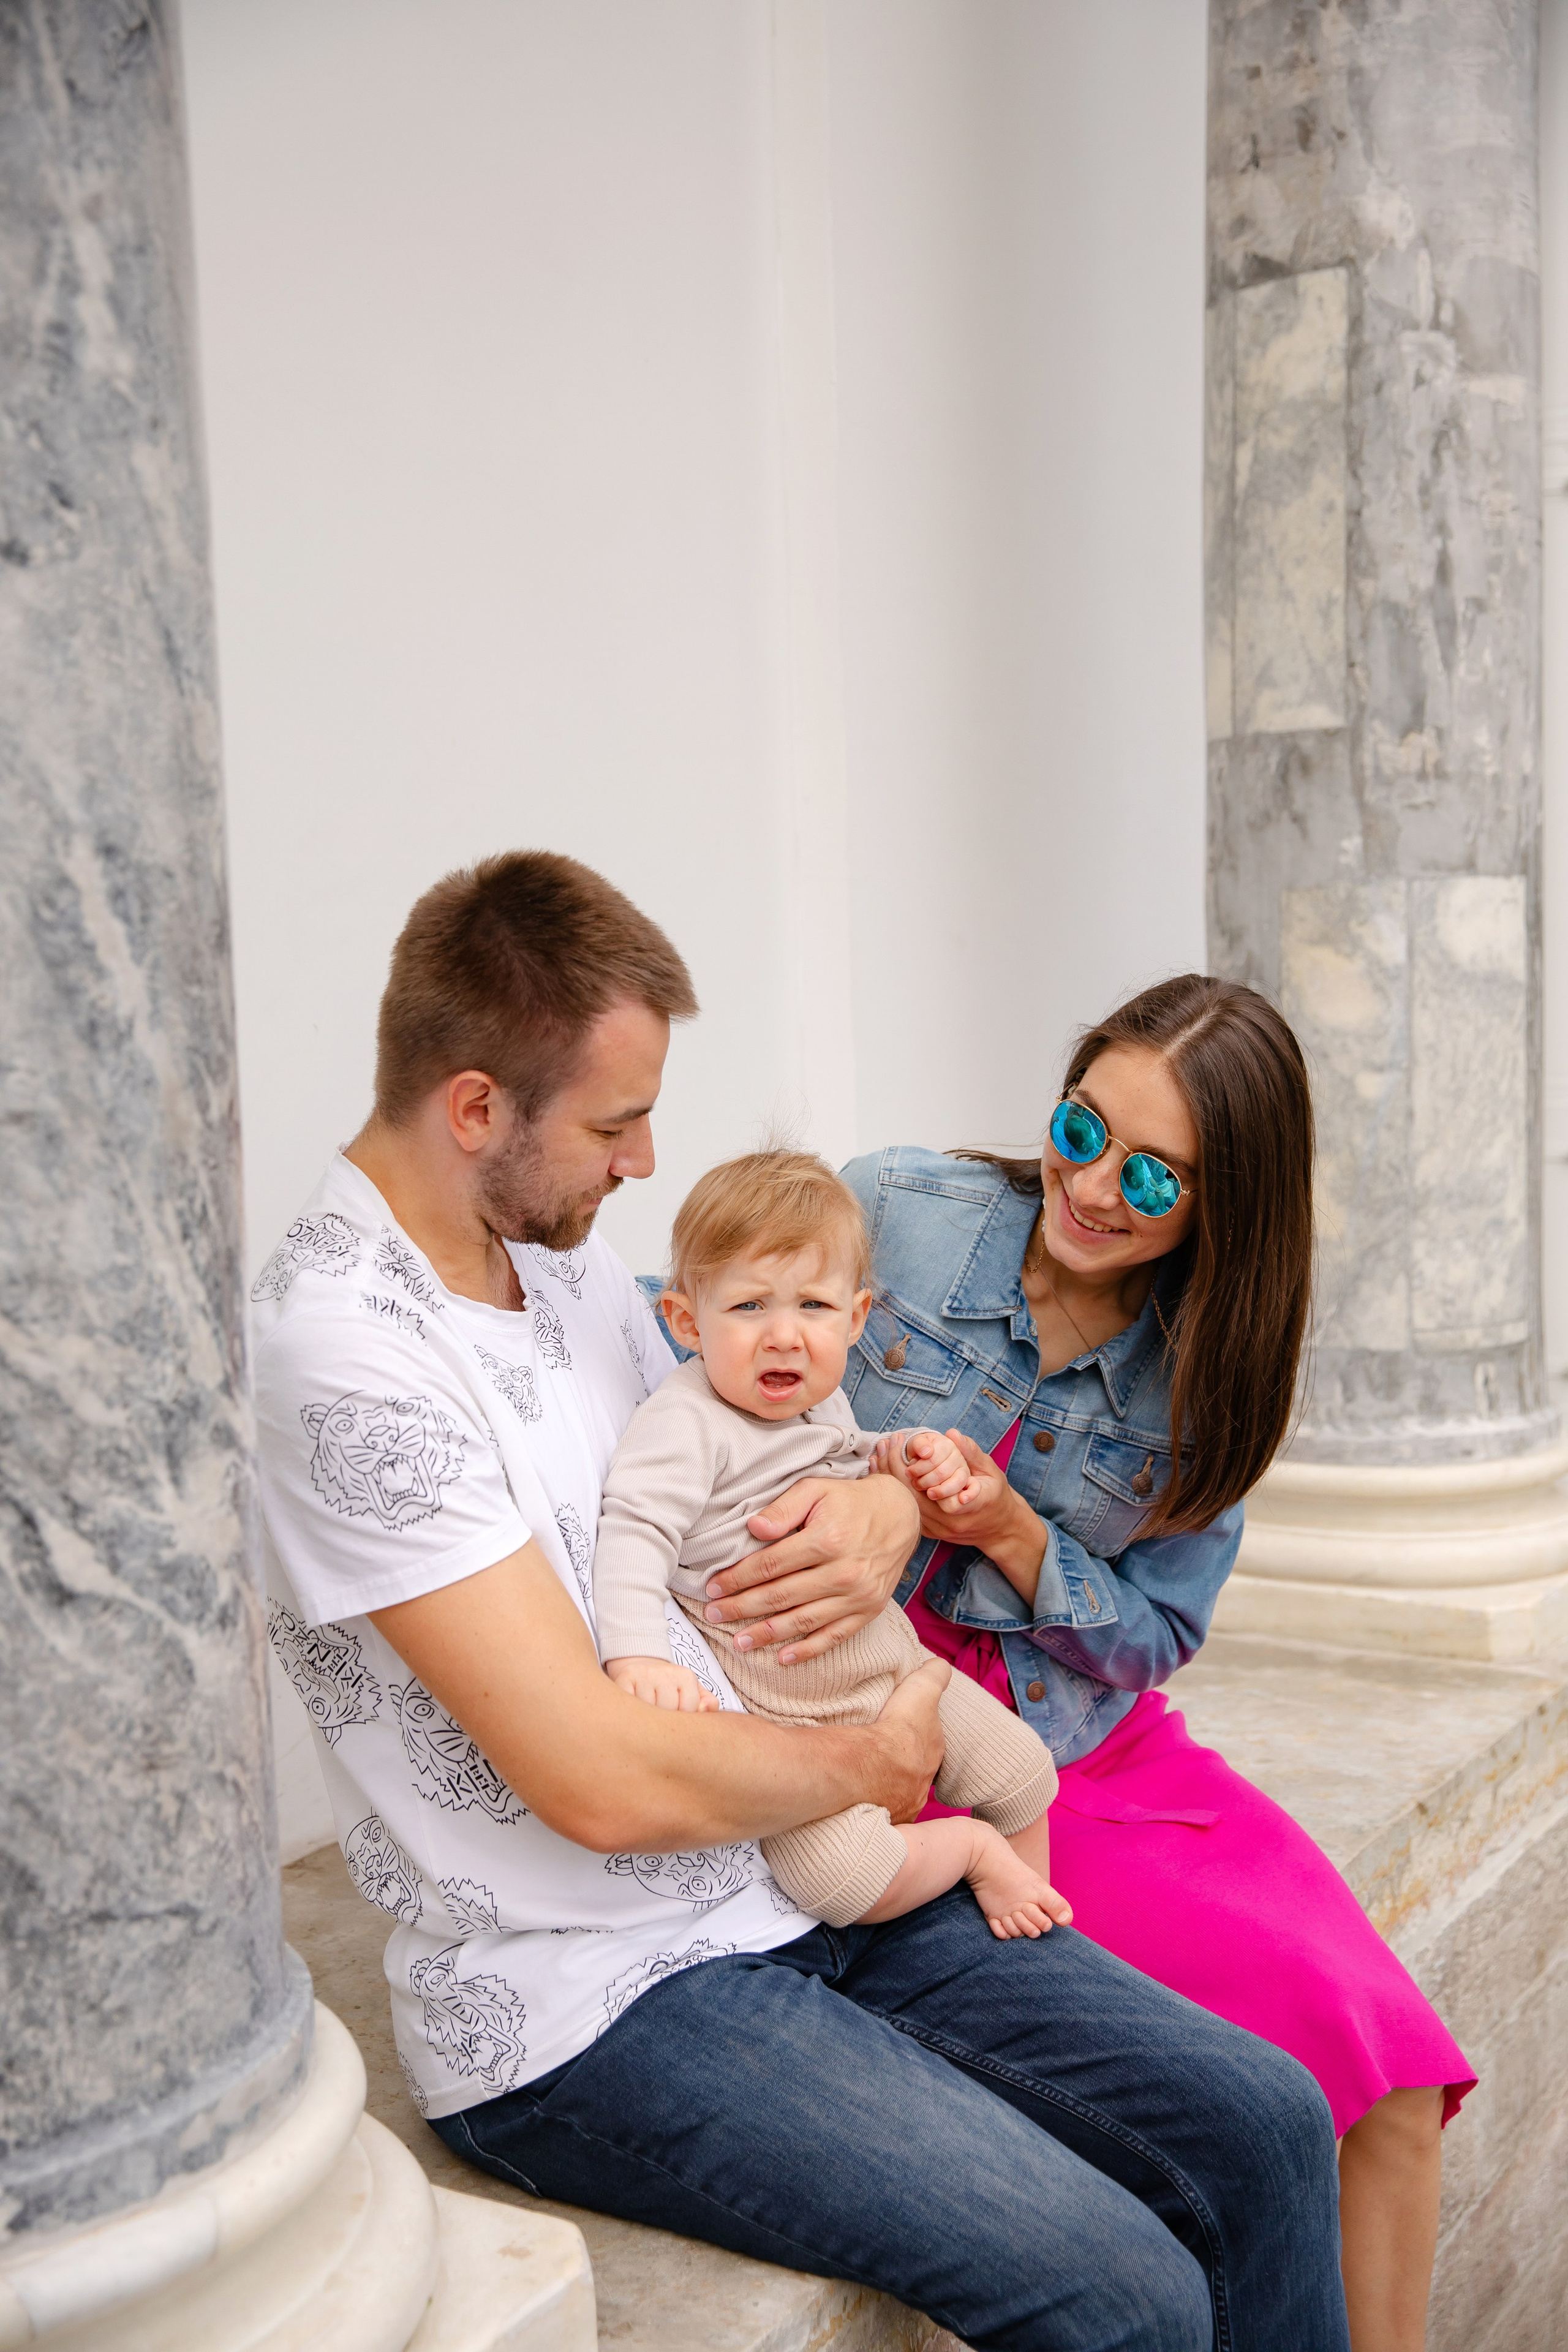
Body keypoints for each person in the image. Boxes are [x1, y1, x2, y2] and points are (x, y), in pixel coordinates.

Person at [255, 851, 1352, 2352]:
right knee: (1126, 2295)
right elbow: (595, 1780)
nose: (645, 1163)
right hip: (597, 1995)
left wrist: (892, 1499)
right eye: (616, 1125)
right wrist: (877, 1761)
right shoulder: (348, 1354)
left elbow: (765, 1437)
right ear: (474, 1110)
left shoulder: (554, 1263)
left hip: (793, 1880)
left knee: (1269, 2125)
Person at [802, 974, 1472, 2352]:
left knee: (1396, 2085)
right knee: (1259, 2110)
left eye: (1153, 1175)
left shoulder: (1210, 1366)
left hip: (1086, 1741)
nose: (1094, 1186)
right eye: (1081, 1128)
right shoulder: (894, 1209)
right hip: (906, 1732)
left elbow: (1158, 1636)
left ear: (1227, 1207)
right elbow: (705, 1343)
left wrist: (1013, 1533)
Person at [594, 1147, 1065, 1939]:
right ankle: (972, 1852)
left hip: (894, 1664)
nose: (784, 1336)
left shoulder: (824, 1403)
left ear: (854, 1319)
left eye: (812, 1306)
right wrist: (638, 1655)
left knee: (1023, 1772)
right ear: (687, 1321)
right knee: (841, 1881)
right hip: (794, 1724)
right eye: (749, 1306)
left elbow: (853, 1453)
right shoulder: (687, 1422)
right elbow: (633, 1529)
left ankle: (1037, 1934)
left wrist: (908, 1454)